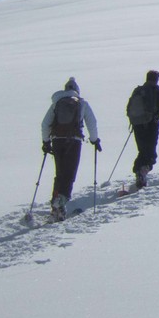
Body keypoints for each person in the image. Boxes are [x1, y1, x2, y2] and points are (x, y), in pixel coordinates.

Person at [40, 78, 100, 220]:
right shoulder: (82, 103)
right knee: (69, 173)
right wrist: (94, 140)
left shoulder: (56, 103)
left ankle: (55, 204)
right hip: (74, 141)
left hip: (57, 140)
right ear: (77, 90)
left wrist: (46, 142)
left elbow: (45, 124)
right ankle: (60, 204)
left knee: (60, 172)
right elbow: (92, 122)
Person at [126, 70, 159, 189]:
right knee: (150, 153)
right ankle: (142, 172)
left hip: (137, 125)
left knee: (142, 150)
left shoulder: (138, 91)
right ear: (157, 79)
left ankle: (139, 172)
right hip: (151, 125)